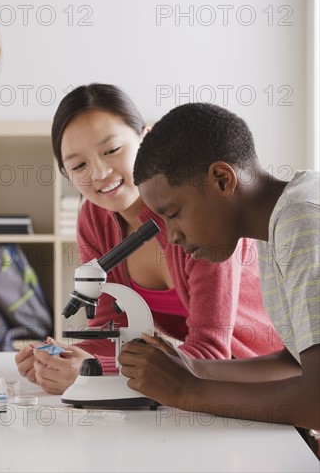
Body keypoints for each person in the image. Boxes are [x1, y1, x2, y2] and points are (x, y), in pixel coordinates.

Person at [16, 85, 283, 395]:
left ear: (146, 138)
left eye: (111, 150)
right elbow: (108, 331)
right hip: (183, 379)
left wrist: (93, 371)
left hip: (252, 379)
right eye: (78, 166)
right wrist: (60, 360)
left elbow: (212, 351)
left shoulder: (198, 214)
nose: (100, 173)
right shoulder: (94, 218)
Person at [118, 101, 319, 433]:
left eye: (172, 213)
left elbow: (316, 400)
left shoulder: (303, 219)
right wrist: (195, 368)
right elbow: (294, 362)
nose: (173, 237)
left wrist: (186, 390)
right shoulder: (278, 224)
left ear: (222, 180)